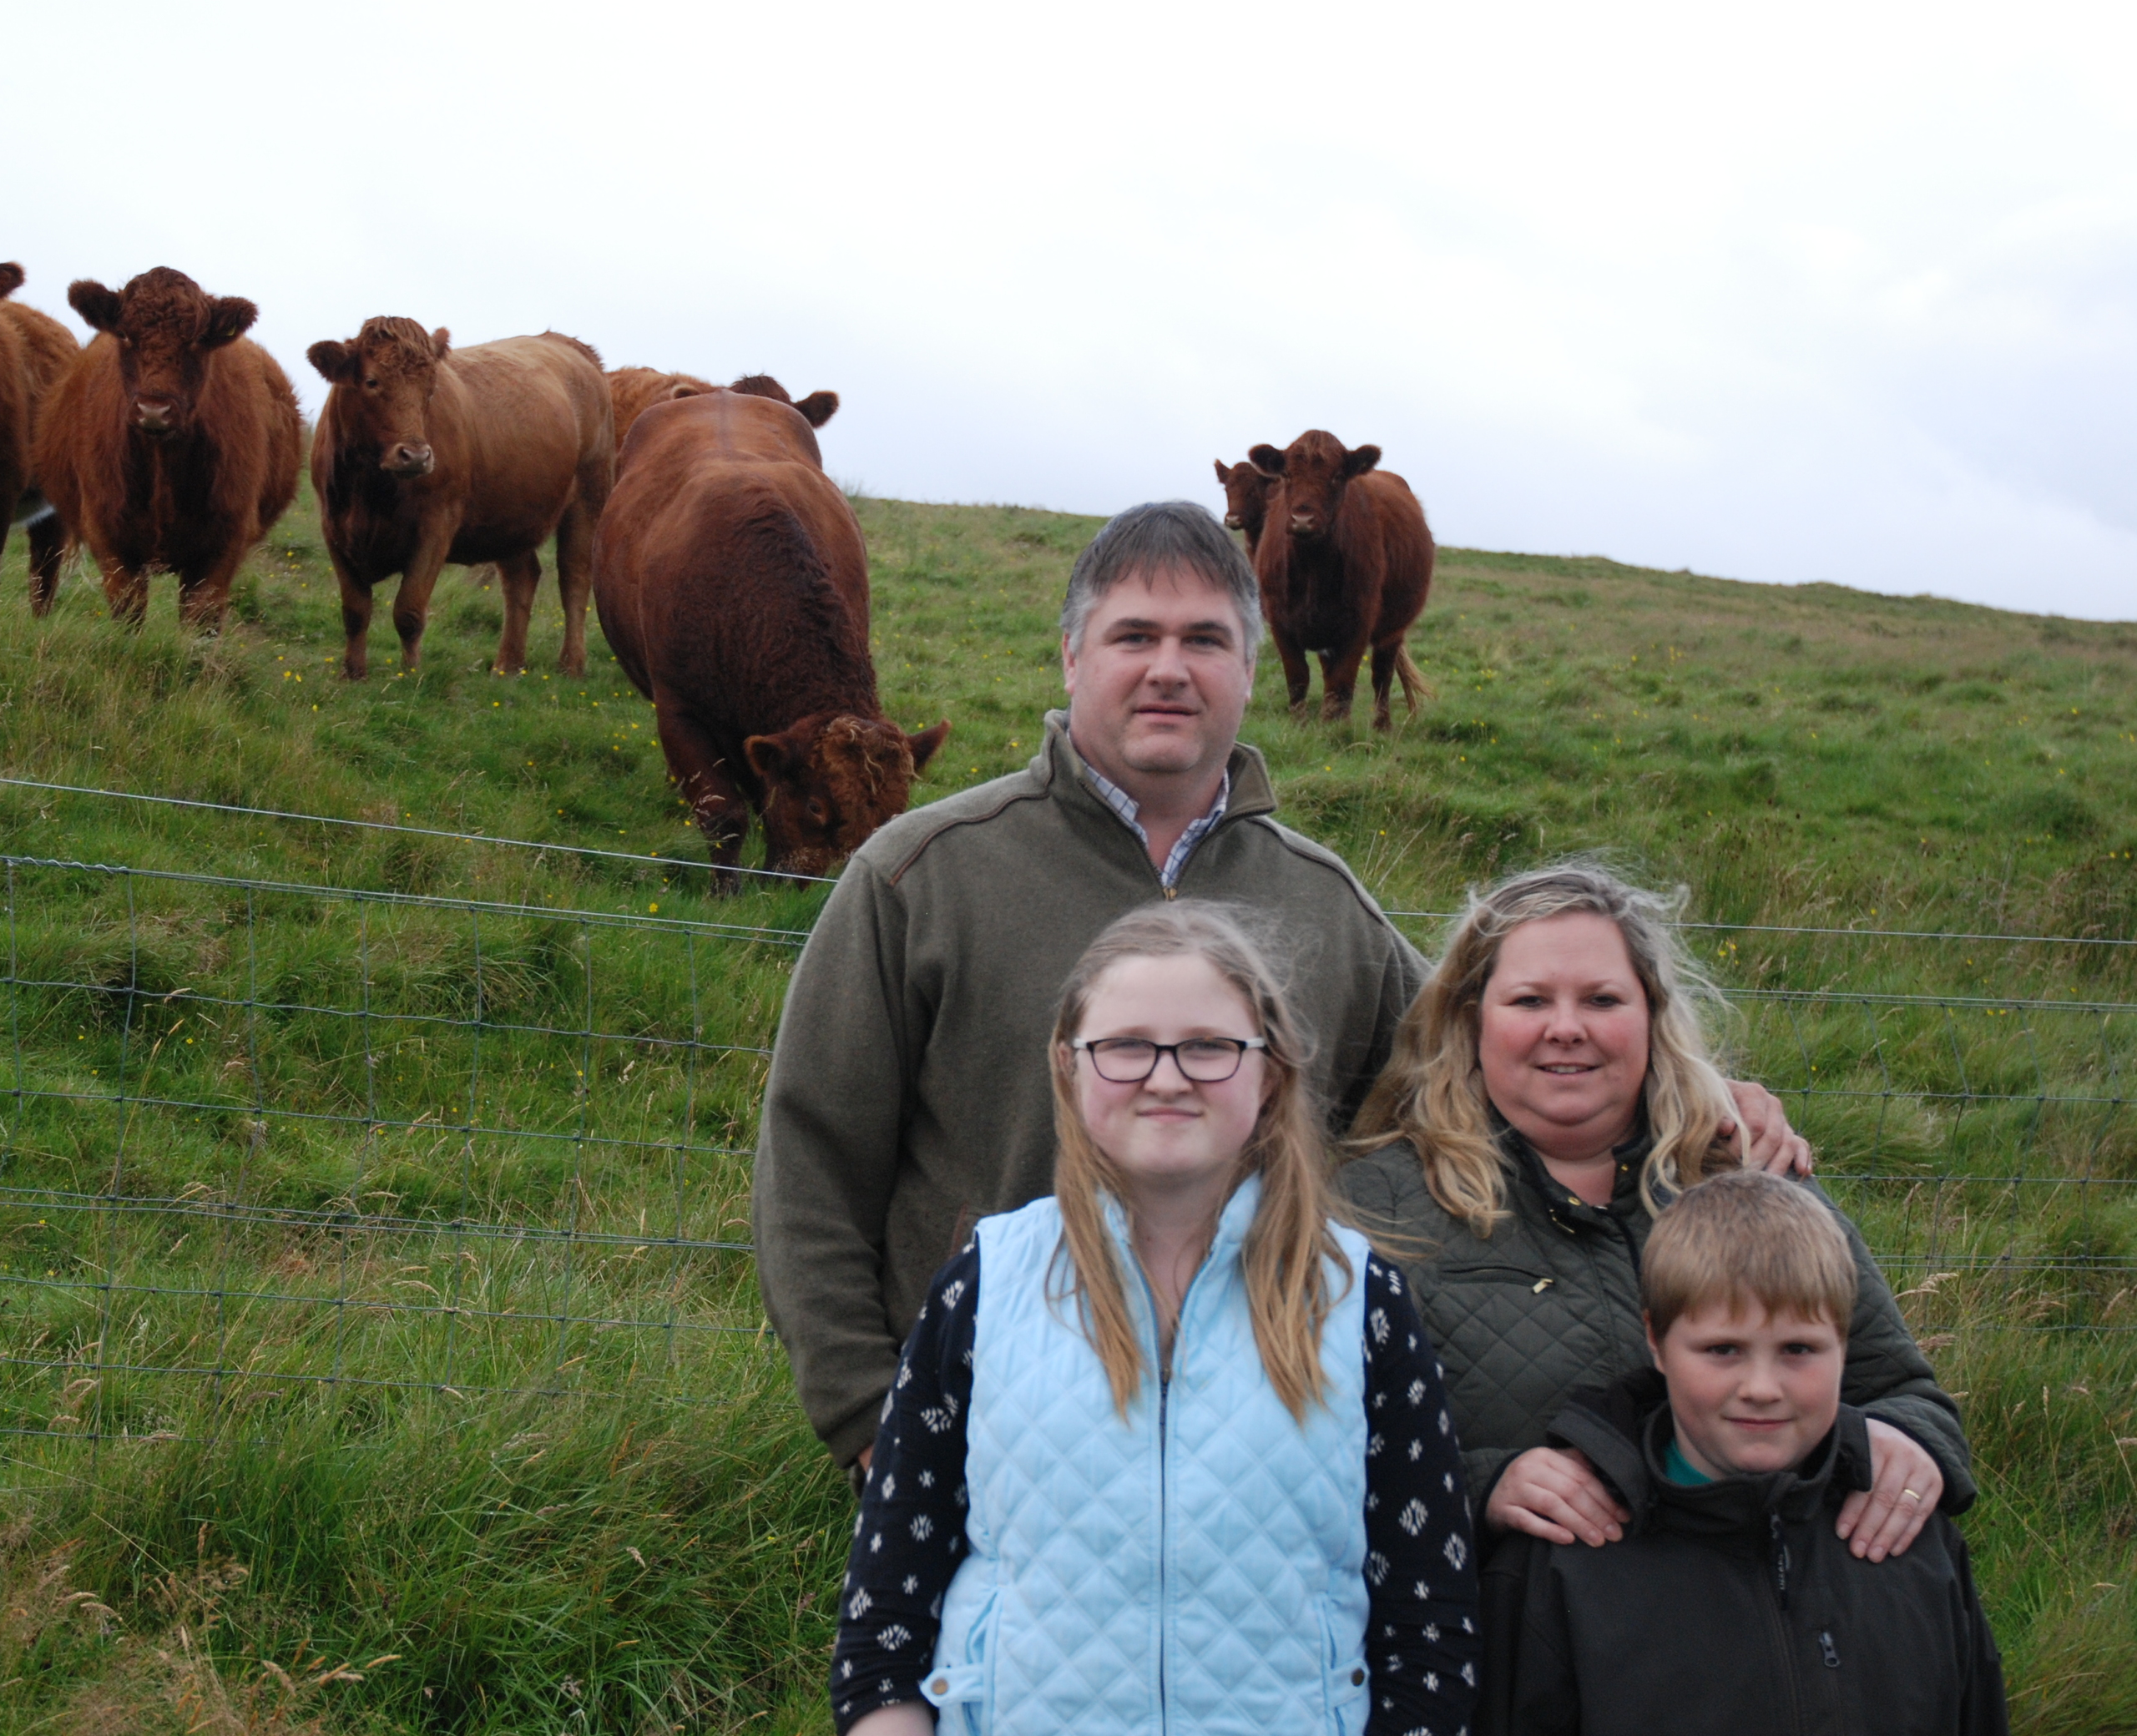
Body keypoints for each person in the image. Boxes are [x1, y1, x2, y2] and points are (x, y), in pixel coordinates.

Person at [753, 501, 1805, 1476]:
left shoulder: (1323, 905)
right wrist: (869, 1415)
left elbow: (1491, 1079)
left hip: (1257, 1445)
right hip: (983, 1426)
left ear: (1251, 669)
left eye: (1205, 641)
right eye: (1133, 637)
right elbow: (811, 1155)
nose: (1169, 670)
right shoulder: (918, 876)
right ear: (1071, 654)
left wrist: (1704, 1101)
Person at [833, 904, 1478, 1736]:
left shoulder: (1357, 1300)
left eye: (1209, 1046)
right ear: (1067, 1066)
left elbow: (1428, 1631)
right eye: (1125, 1045)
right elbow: (884, 1615)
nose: (1166, 1078)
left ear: (1272, 1071)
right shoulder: (983, 1288)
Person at [1334, 863, 1970, 1560]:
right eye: (1529, 1001)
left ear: (1652, 1015)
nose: (1566, 1028)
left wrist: (1910, 1448)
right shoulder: (1376, 1209)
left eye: (1603, 1000)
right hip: (1522, 1646)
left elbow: (1903, 1392)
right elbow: (1320, 1457)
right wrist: (1483, 1485)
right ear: (1470, 1019)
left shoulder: (1748, 1172)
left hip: (1763, 1623)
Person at [1461, 1171, 2012, 1736]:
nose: (1760, 1387)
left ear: (1844, 1344)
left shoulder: (1915, 1543)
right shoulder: (1558, 1566)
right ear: (1656, 1343)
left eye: (1798, 1349)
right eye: (1722, 1349)